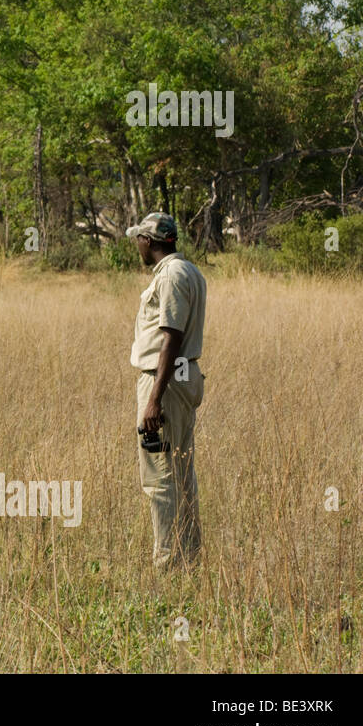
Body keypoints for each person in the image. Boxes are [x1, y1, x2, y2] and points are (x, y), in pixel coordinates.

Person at [127, 212, 207, 571]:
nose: (137, 247)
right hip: (181, 374)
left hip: (166, 380)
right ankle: (187, 560)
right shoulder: (189, 270)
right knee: (181, 470)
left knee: (160, 476)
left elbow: (171, 336)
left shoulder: (172, 275)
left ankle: (167, 565)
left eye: (138, 240)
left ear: (149, 241)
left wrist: (153, 399)